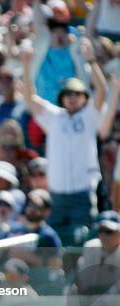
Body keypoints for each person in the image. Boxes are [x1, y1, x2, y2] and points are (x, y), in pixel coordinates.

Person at [22, 40, 109, 237]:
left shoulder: (89, 115)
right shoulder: (55, 117)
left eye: (77, 93)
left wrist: (92, 62)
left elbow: (102, 90)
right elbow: (29, 98)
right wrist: (26, 66)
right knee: (58, 239)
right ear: (61, 97)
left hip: (82, 192)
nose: (72, 97)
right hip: (58, 193)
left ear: (84, 97)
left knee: (82, 237)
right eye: (68, 93)